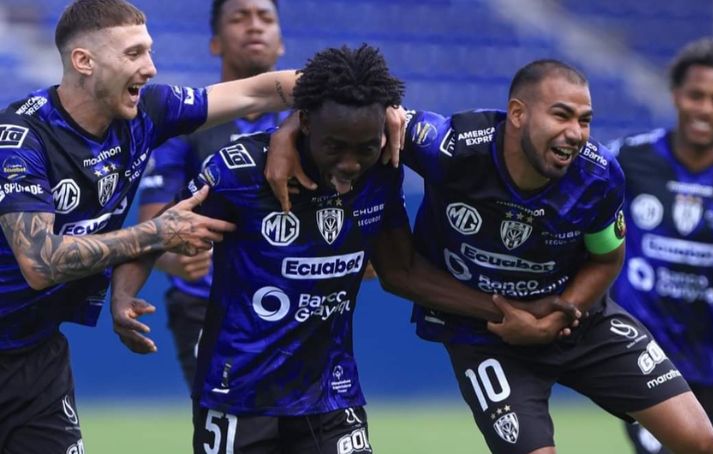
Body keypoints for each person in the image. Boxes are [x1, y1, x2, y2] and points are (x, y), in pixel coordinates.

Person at [110, 44, 558, 454]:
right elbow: (158, 231)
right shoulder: (238, 172)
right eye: (335, 147)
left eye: (365, 148)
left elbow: (401, 272)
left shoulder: (381, 171)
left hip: (331, 393)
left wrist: (504, 309)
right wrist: (124, 294)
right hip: (238, 394)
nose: (350, 162)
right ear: (304, 122)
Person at [265, 59, 713, 454]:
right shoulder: (447, 147)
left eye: (585, 120)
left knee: (700, 442)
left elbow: (606, 260)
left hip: (575, 319)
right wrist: (287, 131)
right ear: (518, 113)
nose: (575, 133)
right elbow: (355, 106)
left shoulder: (599, 176)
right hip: (483, 335)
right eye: (561, 115)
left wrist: (559, 314)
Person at [0, 0, 356, 450]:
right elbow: (39, 263)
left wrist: (351, 105)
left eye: (149, 51)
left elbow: (260, 93)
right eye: (133, 54)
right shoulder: (20, 139)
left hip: (34, 354)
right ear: (84, 61)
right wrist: (158, 233)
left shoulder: (149, 111)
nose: (150, 68)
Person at [138, 0, 289, 391]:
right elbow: (151, 229)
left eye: (266, 18)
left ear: (281, 43)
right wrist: (175, 260)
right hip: (208, 307)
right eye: (239, 17)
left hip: (294, 303)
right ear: (215, 44)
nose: (254, 26)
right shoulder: (185, 125)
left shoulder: (308, 126)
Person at [606, 38, 713, 454]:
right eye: (696, 95)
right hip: (637, 349)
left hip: (707, 357)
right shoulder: (627, 158)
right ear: (676, 95)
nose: (705, 109)